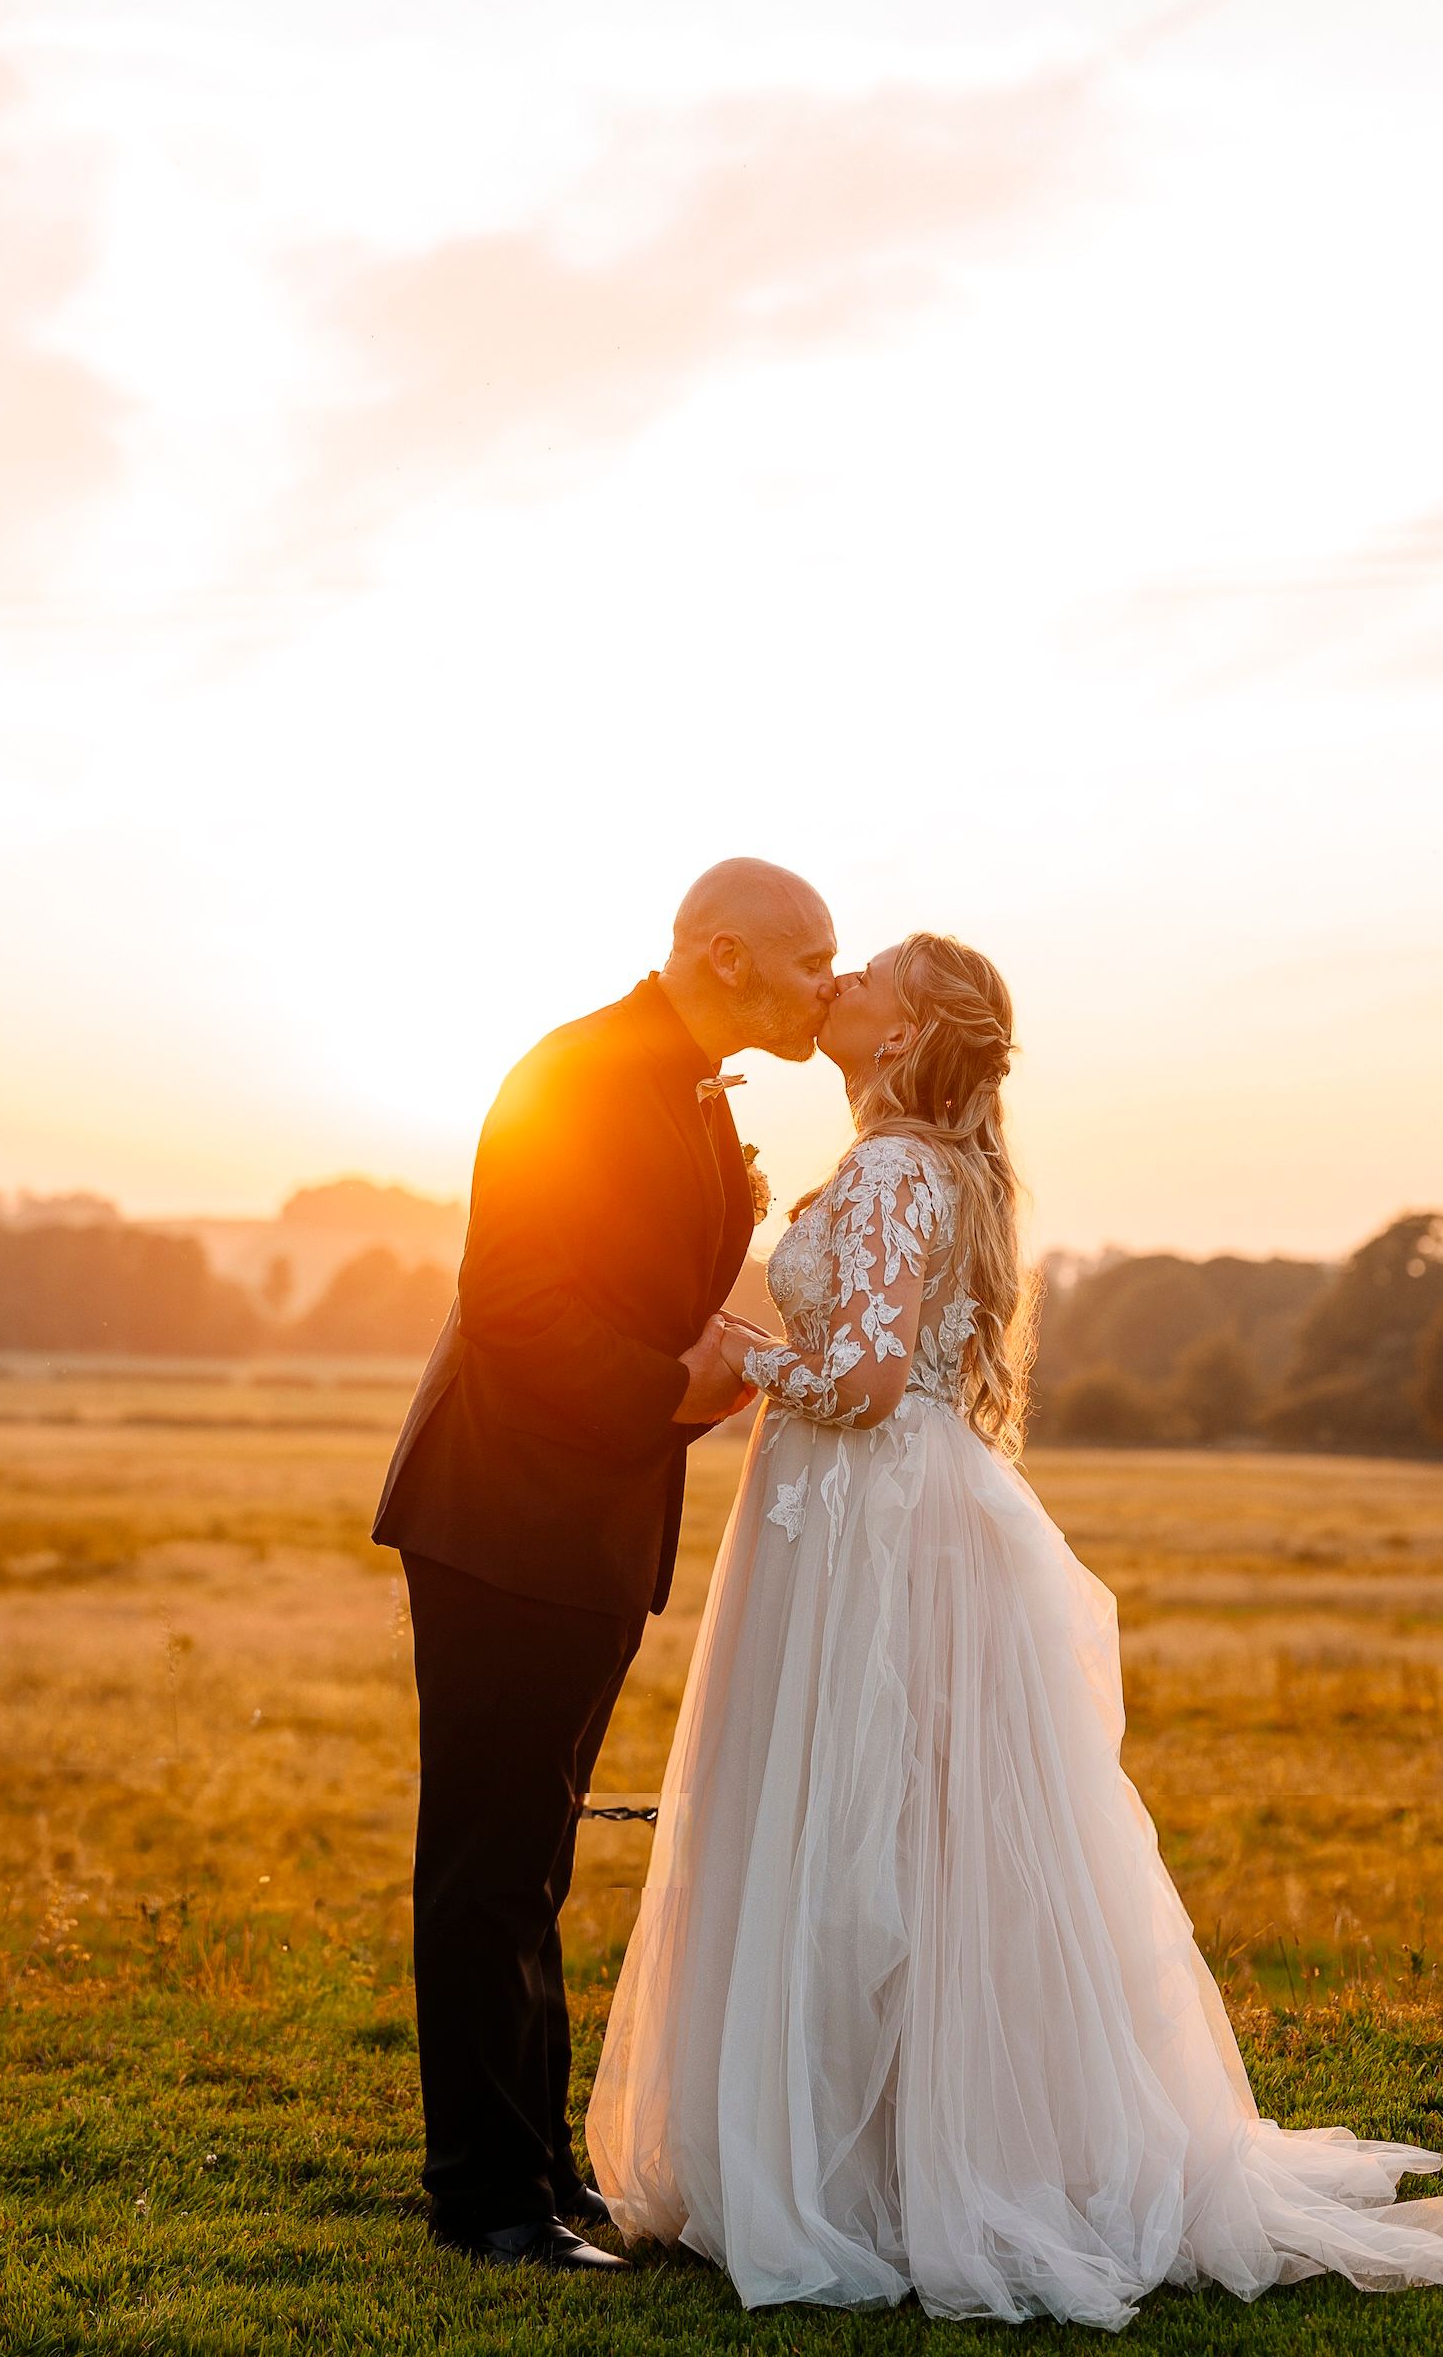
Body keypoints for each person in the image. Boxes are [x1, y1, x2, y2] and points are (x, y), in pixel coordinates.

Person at [588, 933, 1443, 2328]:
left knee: (872, 1818)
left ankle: (879, 2164)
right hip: (889, 1518)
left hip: (872, 1527)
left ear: (909, 1032)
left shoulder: (895, 1170)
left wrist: (736, 1357)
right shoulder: (936, 1166)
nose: (836, 984)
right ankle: (913, 2140)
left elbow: (871, 1378)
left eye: (865, 974)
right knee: (924, 1831)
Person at [372, 859, 838, 2273]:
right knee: (487, 1864)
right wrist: (675, 1389)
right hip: (503, 1519)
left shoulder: (687, 1087)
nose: (832, 981)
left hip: (584, 1524)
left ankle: (539, 2173)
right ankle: (484, 2201)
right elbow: (511, 1305)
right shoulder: (571, 1077)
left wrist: (716, 1364)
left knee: (537, 1855)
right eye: (810, 957)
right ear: (724, 956)